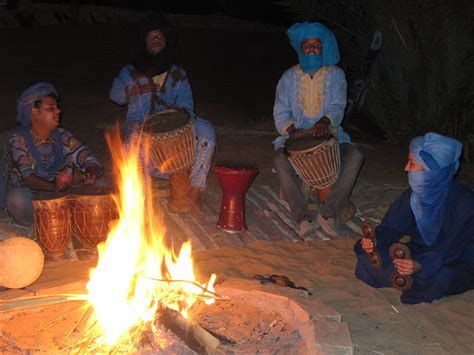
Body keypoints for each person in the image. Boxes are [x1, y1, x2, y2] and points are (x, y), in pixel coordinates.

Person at [109, 14, 216, 208]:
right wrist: (134, 88)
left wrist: (172, 121)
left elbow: (187, 107)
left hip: (172, 131)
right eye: (152, 37)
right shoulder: (130, 71)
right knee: (131, 143)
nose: (157, 40)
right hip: (140, 128)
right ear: (145, 43)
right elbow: (115, 96)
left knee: (206, 129)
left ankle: (195, 189)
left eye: (160, 37)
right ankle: (138, 197)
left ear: (166, 42)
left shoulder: (177, 73)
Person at [354, 133, 474, 304]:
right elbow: (390, 228)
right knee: (371, 260)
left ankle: (406, 279)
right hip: (421, 250)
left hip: (457, 258)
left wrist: (420, 264)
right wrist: (375, 241)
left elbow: (452, 248)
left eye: (412, 164)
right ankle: (404, 278)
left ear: (432, 171)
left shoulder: (465, 202)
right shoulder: (414, 196)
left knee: (442, 277)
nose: (406, 168)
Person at [273, 22, 364, 238]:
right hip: (296, 137)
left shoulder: (335, 74)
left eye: (317, 44)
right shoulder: (288, 77)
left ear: (323, 48)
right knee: (279, 159)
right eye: (307, 44)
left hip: (330, 135)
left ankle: (329, 212)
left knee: (356, 155)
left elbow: (337, 106)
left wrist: (325, 122)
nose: (312, 48)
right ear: (300, 48)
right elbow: (280, 110)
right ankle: (301, 216)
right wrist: (292, 129)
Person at [0, 82, 103, 227]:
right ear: (34, 112)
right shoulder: (18, 140)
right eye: (51, 108)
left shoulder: (63, 136)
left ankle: (64, 223)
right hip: (35, 200)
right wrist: (54, 186)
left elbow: (89, 159)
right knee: (17, 199)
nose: (58, 111)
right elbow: (28, 177)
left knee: (104, 184)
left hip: (64, 195)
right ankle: (43, 226)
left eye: (57, 107)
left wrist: (90, 173)